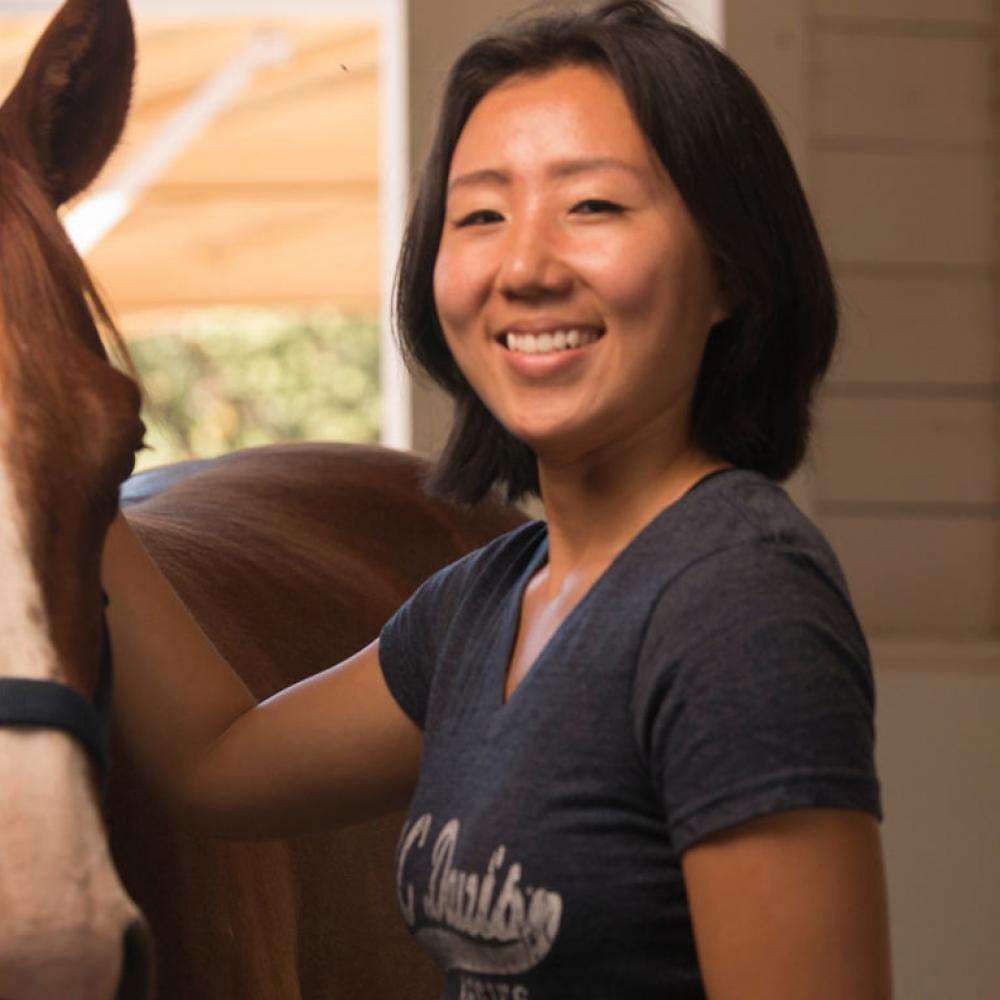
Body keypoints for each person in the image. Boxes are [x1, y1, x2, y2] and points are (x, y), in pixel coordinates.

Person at [102, 1, 892, 997]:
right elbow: (216, 762)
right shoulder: (488, 603)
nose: (523, 267)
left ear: (728, 269)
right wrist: (60, 461)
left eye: (592, 206)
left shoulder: (734, 603)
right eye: (479, 214)